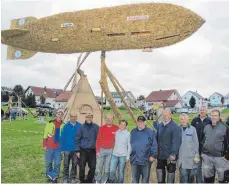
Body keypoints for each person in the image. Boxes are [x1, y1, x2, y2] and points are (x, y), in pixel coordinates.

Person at [201, 109, 229, 183]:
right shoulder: (207, 127)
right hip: (207, 158)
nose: (213, 117)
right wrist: (202, 153)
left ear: (219, 117)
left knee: (222, 179)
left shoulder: (225, 128)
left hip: (220, 158)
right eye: (212, 115)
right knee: (208, 179)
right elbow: (202, 140)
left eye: (215, 115)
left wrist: (227, 156)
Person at [156, 108, 182, 183]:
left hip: (170, 156)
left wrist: (173, 154)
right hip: (160, 156)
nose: (165, 117)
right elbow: (157, 140)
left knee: (170, 177)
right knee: (160, 177)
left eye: (166, 115)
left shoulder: (175, 127)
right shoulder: (160, 126)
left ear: (170, 115)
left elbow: (176, 142)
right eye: (163, 115)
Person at [130, 116, 157, 183]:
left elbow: (154, 145)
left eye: (142, 122)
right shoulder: (133, 131)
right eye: (139, 122)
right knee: (134, 180)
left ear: (145, 122)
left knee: (145, 180)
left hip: (145, 160)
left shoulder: (150, 132)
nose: (140, 123)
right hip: (134, 159)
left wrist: (153, 155)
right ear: (137, 122)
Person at [75, 113, 99, 183]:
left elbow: (99, 138)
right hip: (83, 150)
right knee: (82, 167)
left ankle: (89, 180)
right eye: (88, 117)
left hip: (92, 150)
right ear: (85, 118)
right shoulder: (81, 127)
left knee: (93, 167)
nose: (89, 118)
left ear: (92, 118)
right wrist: (77, 151)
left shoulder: (96, 127)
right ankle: (82, 180)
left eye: (91, 117)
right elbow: (77, 139)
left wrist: (98, 150)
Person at [95, 114, 119, 183]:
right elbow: (98, 139)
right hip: (101, 150)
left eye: (111, 118)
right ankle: (98, 179)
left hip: (111, 150)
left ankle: (104, 180)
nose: (109, 120)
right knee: (99, 167)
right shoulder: (102, 128)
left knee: (107, 167)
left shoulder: (116, 128)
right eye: (108, 118)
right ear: (105, 119)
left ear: (113, 119)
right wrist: (97, 151)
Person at [43, 109, 64, 183]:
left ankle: (54, 176)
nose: (60, 115)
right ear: (56, 114)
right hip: (49, 146)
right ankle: (49, 175)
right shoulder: (50, 123)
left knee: (57, 163)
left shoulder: (64, 125)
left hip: (58, 148)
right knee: (49, 162)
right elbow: (45, 134)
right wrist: (44, 145)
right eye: (59, 114)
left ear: (62, 116)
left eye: (61, 114)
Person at [191, 106, 212, 183]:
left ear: (206, 111)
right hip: (197, 149)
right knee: (198, 168)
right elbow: (191, 132)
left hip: (207, 150)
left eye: (204, 110)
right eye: (201, 110)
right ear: (199, 111)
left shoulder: (210, 121)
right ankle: (199, 182)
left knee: (207, 168)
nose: (202, 111)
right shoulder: (194, 120)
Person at [178, 113, 200, 183]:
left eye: (185, 119)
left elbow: (196, 143)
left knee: (191, 179)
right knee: (183, 179)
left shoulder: (193, 129)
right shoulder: (177, 129)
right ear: (179, 120)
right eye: (181, 119)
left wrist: (196, 155)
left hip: (191, 158)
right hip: (181, 159)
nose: (183, 120)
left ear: (188, 119)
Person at [60, 111, 81, 183]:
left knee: (74, 164)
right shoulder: (66, 126)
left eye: (75, 116)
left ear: (77, 117)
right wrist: (61, 149)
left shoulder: (80, 126)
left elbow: (81, 138)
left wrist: (80, 149)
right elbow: (62, 138)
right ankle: (65, 178)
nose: (73, 118)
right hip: (66, 149)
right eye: (72, 116)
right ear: (70, 117)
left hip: (75, 149)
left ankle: (73, 177)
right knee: (66, 164)